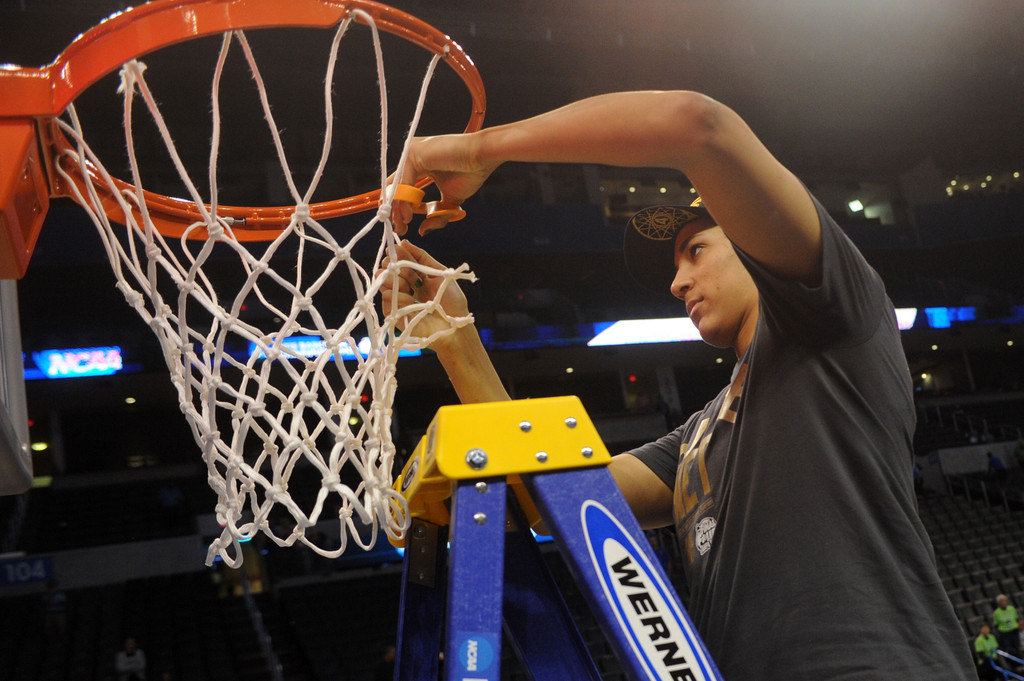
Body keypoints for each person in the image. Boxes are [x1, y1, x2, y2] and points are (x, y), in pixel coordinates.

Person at [380, 90, 975, 679]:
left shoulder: (831, 311)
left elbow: (696, 124)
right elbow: (551, 502)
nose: (676, 282)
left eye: (695, 251)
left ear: (751, 243)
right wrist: (456, 339)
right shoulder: (700, 431)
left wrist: (485, 148)